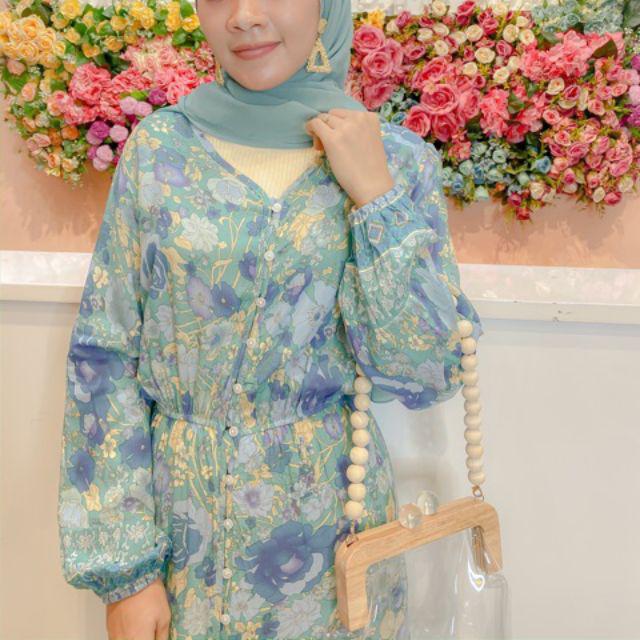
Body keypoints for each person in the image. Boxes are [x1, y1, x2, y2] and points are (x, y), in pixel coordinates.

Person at [56, 0, 484, 638]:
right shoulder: (160, 150)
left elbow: (425, 371)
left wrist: (376, 197)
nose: (243, 16)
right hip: (181, 539)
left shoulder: (395, 158)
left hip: (337, 542)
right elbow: (105, 355)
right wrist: (126, 575)